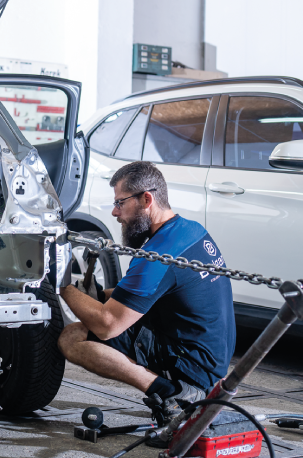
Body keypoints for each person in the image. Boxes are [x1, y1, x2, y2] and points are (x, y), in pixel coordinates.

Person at [58, 161, 235, 426]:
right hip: (213, 356)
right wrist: (100, 295)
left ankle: (172, 392)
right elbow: (152, 292)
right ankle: (181, 385)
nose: (115, 212)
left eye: (120, 203)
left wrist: (61, 286)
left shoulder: (156, 255)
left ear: (146, 199)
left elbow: (108, 326)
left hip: (193, 366)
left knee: (72, 337)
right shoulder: (190, 231)